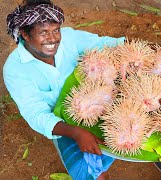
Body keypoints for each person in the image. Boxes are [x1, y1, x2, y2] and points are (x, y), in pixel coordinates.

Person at [3, 0, 125, 179]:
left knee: (119, 144)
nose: (52, 39)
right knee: (89, 173)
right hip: (64, 125)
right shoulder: (15, 69)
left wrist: (142, 49)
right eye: (43, 33)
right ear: (25, 34)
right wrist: (77, 133)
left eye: (55, 30)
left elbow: (104, 44)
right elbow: (37, 115)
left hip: (98, 102)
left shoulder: (69, 38)